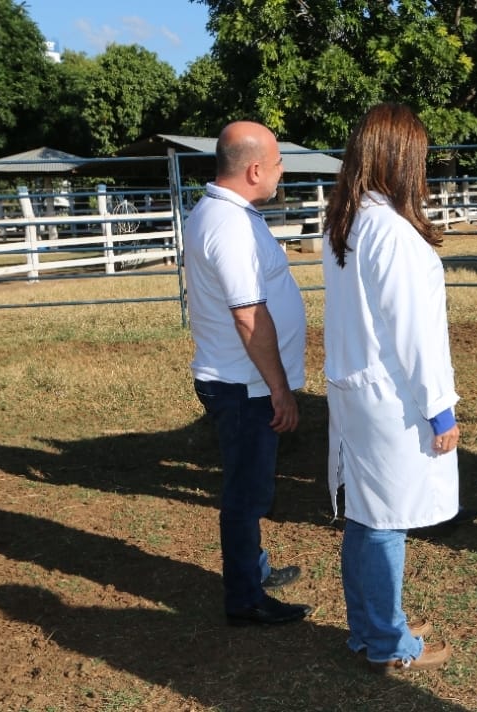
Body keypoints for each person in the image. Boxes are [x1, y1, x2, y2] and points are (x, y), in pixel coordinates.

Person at [323, 103, 460, 673]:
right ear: (402, 159)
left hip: (356, 391)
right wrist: (440, 412)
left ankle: (373, 623)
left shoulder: (348, 222)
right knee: (385, 525)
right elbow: (416, 337)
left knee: (365, 514)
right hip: (392, 401)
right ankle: (387, 641)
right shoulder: (393, 233)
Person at [183, 121, 312, 626]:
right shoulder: (231, 225)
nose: (283, 171)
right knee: (246, 493)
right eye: (279, 162)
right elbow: (248, 314)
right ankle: (244, 598)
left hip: (242, 379)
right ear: (256, 169)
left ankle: (252, 570)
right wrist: (279, 388)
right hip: (244, 385)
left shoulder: (225, 212)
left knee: (249, 485)